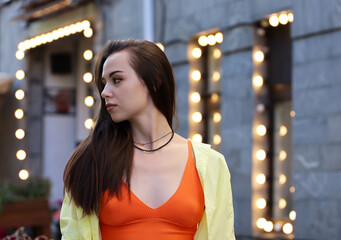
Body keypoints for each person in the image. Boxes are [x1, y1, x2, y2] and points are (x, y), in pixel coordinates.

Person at [60, 39, 235, 240]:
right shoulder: (92, 160)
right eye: (103, 83)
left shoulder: (210, 164)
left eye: (116, 80)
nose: (105, 92)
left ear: (154, 81)